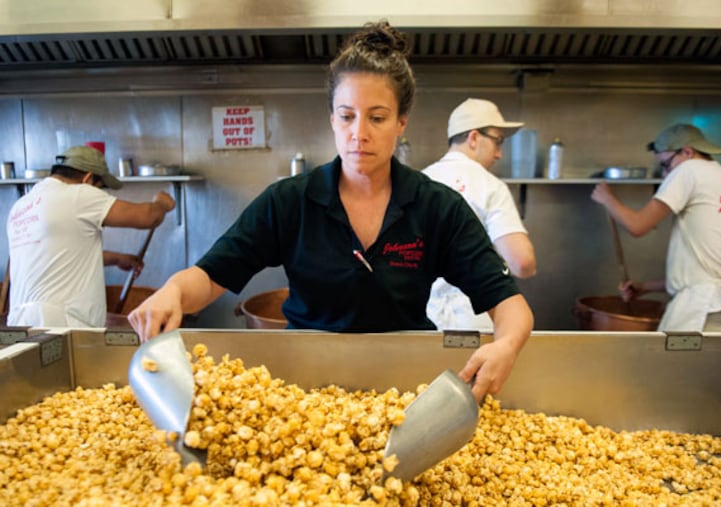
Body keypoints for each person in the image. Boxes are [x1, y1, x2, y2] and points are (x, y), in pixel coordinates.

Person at [128, 20, 533, 402]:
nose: (360, 133)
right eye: (347, 116)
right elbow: (212, 276)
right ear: (332, 120)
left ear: (401, 122)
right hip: (305, 388)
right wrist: (174, 292)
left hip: (405, 391)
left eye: (377, 117)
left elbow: (508, 304)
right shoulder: (291, 201)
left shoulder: (436, 206)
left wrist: (507, 345)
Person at [591, 124, 721, 332]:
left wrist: (608, 199)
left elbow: (638, 226)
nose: (667, 174)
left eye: (666, 165)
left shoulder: (690, 169)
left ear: (687, 152)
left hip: (701, 312)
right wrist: (645, 287)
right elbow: (709, 272)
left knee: (669, 365)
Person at [6, 145, 175, 328]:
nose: (100, 193)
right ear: (87, 178)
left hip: (18, 324)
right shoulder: (79, 194)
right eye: (100, 187)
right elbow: (148, 217)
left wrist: (117, 258)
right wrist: (161, 203)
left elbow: (60, 255)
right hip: (61, 325)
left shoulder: (22, 206)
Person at [423, 98, 537, 330]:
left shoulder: (420, 181)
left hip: (423, 319)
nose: (499, 154)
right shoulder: (489, 186)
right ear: (473, 138)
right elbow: (522, 262)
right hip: (474, 322)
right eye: (498, 142)